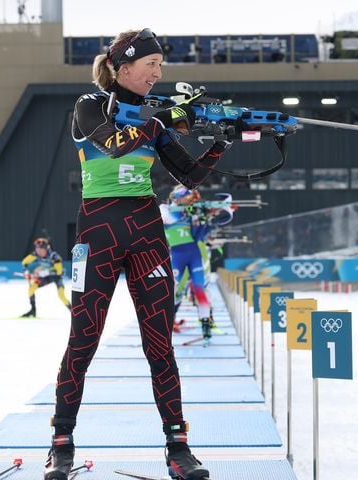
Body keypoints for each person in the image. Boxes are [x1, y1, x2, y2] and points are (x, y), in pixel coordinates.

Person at [44, 27, 231, 480]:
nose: (157, 74)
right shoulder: (90, 106)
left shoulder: (156, 120)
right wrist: (157, 121)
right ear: (123, 67)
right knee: (82, 342)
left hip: (147, 235)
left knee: (160, 345)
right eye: (152, 65)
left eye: (160, 67)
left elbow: (189, 176)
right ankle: (61, 442)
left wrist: (221, 141)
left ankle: (178, 446)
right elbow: (112, 141)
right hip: (97, 236)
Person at [160, 186, 213, 341]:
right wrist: (187, 211)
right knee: (174, 290)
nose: (189, 202)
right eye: (187, 198)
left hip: (194, 254)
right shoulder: (165, 209)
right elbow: (170, 218)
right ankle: (167, 324)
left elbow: (198, 237)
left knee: (200, 289)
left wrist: (203, 220)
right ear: (177, 196)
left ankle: (206, 325)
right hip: (177, 256)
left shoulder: (190, 212)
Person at [19, 237, 71, 318]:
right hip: (45, 276)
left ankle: (73, 311)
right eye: (37, 248)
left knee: (61, 295)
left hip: (56, 276)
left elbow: (59, 271)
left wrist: (46, 271)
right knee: (31, 288)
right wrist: (26, 271)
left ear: (46, 249)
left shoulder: (54, 256)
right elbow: (24, 262)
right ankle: (33, 311)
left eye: (41, 249)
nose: (38, 251)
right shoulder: (35, 254)